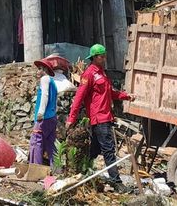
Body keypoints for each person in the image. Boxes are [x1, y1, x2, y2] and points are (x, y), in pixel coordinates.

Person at [66, 44, 135, 184]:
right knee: (109, 150)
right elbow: (79, 96)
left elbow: (110, 92)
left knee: (95, 149)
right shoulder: (89, 74)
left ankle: (82, 173)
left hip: (106, 117)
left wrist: (126, 96)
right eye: (101, 56)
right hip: (98, 118)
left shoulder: (102, 73)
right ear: (94, 57)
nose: (104, 58)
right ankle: (116, 182)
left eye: (104, 56)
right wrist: (71, 118)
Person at [29, 58, 59, 165]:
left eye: (39, 69)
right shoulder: (53, 82)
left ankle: (35, 168)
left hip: (44, 117)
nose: (37, 71)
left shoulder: (45, 79)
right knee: (51, 143)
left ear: (44, 69)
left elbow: (45, 96)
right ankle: (56, 168)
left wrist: (40, 113)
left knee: (36, 142)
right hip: (52, 116)